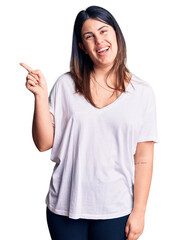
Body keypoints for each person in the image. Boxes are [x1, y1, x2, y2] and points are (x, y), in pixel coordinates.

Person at [20, 5, 159, 240]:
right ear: (82, 47)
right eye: (89, 36)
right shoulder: (65, 85)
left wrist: (140, 211)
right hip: (65, 208)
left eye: (104, 31)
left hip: (116, 210)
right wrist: (41, 97)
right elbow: (44, 144)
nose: (99, 41)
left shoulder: (142, 93)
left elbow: (143, 157)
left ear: (116, 34)